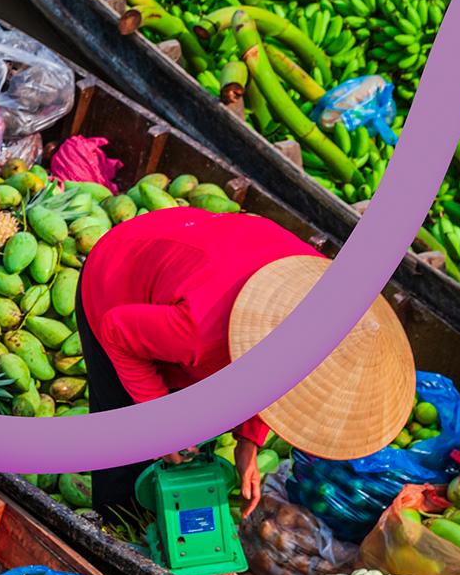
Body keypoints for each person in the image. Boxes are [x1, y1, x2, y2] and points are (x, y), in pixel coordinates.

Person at [77, 206, 414, 519]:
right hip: (118, 277)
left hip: (194, 263)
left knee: (187, 425)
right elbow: (116, 330)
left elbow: (276, 374)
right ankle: (111, 520)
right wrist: (159, 423)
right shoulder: (199, 332)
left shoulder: (321, 295)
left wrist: (249, 440)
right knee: (127, 437)